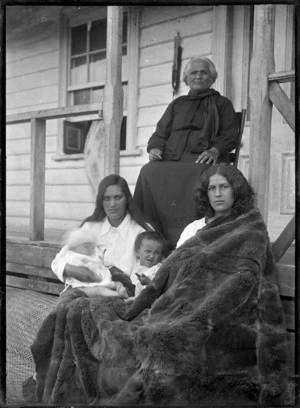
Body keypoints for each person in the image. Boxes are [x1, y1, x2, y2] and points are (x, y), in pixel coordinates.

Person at [28, 165, 291, 406]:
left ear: (237, 190)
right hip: (170, 303)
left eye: (224, 187)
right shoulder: (198, 229)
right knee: (81, 312)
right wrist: (143, 300)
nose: (218, 194)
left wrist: (192, 314)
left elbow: (242, 283)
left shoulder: (249, 231)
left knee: (159, 342)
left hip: (214, 317)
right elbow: (171, 271)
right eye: (212, 188)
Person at [133, 56, 240, 248]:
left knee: (199, 174)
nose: (198, 76)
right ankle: (151, 236)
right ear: (187, 79)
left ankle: (189, 240)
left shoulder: (222, 104)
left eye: (204, 72)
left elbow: (231, 135)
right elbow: (160, 133)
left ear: (212, 77)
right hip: (171, 157)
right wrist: (155, 147)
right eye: (194, 72)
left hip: (200, 159)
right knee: (148, 171)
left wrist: (216, 150)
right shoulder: (177, 104)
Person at [51, 173, 152, 299]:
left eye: (118, 197)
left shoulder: (139, 234)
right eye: (107, 199)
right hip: (84, 292)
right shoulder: (90, 228)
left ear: (127, 199)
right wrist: (71, 269)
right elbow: (59, 260)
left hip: (119, 295)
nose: (112, 204)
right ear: (101, 201)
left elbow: (141, 277)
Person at [61, 228, 129, 299]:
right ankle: (118, 295)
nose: (91, 250)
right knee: (100, 290)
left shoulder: (90, 256)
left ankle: (121, 289)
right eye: (86, 247)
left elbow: (100, 264)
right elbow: (84, 271)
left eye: (92, 247)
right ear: (73, 247)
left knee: (117, 283)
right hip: (83, 287)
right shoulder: (73, 257)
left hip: (99, 282)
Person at [128, 231, 165, 299]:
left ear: (161, 256)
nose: (151, 256)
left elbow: (161, 289)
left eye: (157, 253)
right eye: (148, 251)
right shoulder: (136, 266)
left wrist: (149, 283)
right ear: (137, 252)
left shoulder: (158, 269)